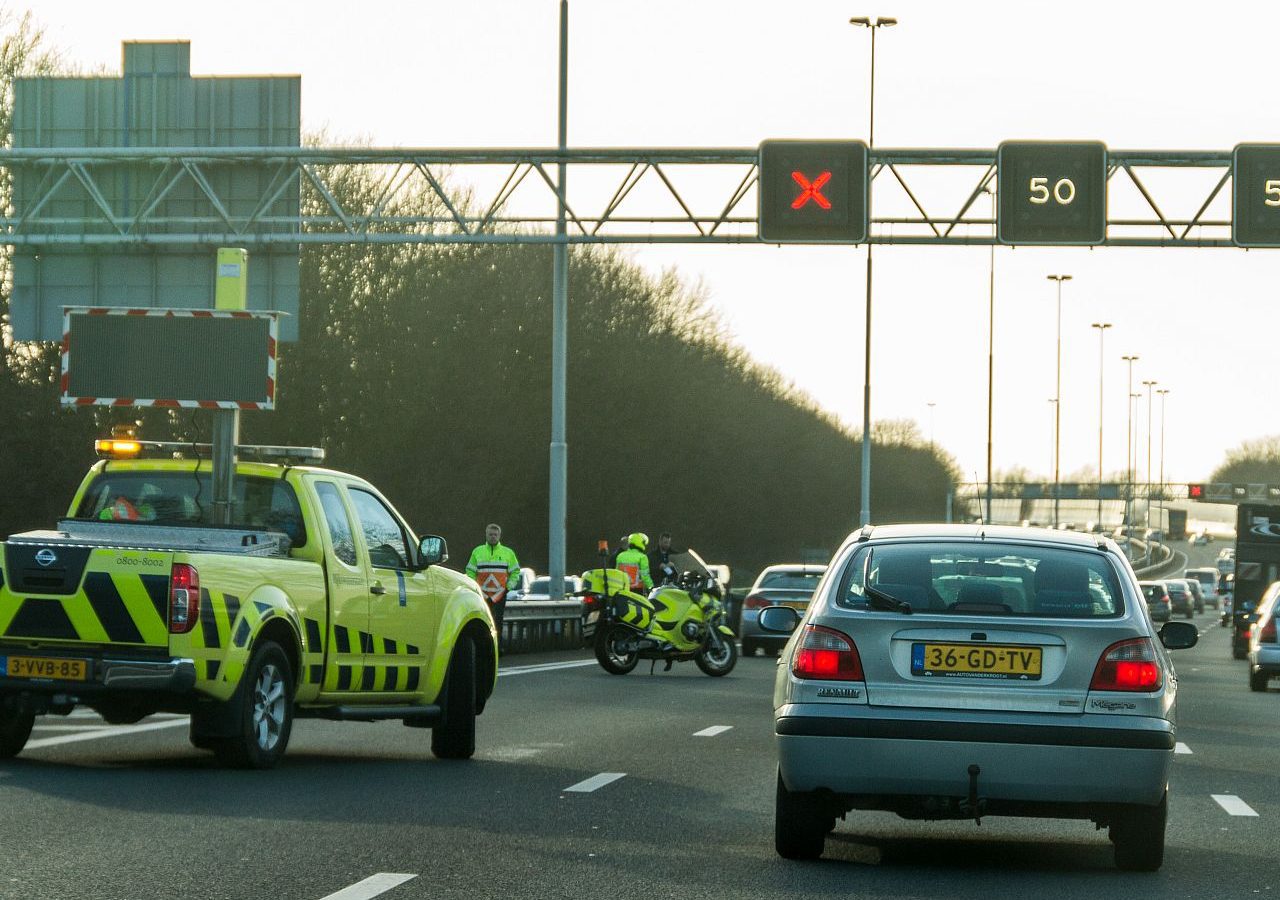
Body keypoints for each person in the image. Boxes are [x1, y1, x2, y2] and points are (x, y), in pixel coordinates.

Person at [465, 524, 521, 642]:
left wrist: (508, 587)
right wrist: (475, 587)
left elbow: (515, 572)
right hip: (482, 594)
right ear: (486, 535)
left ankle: (498, 646)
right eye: (490, 534)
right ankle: (484, 645)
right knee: (482, 621)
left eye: (495, 534)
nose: (493, 537)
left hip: (500, 594)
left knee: (498, 622)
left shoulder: (508, 553)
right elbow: (470, 571)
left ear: (499, 536)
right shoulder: (477, 551)